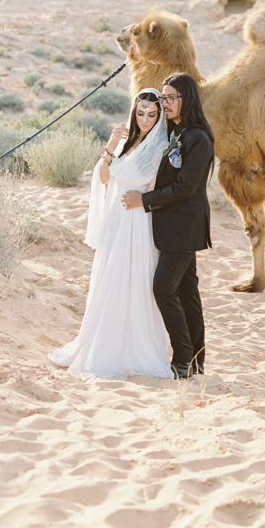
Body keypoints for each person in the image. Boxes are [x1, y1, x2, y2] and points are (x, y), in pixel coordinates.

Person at [48, 89, 173, 379]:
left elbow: (154, 187)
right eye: (140, 113)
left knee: (134, 279)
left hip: (137, 220)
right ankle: (102, 341)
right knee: (109, 277)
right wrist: (110, 145)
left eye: (152, 115)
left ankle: (134, 347)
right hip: (117, 220)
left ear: (158, 116)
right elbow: (104, 177)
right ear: (134, 111)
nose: (145, 119)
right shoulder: (125, 140)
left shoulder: (160, 145)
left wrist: (142, 199)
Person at [123, 73, 214, 380]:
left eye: (171, 97)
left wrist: (144, 200)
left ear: (186, 99)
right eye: (163, 98)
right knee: (187, 291)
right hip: (173, 225)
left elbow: (185, 188)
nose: (166, 103)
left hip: (185, 226)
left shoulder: (198, 139)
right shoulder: (178, 132)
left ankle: (183, 358)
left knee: (163, 288)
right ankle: (197, 359)